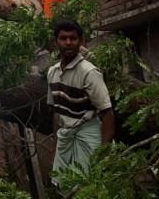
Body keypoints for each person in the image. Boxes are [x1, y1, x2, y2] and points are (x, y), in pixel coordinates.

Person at [47, 20, 114, 192]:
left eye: (73, 38)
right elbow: (56, 111)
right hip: (65, 135)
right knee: (63, 185)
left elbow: (107, 112)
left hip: (88, 134)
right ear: (56, 42)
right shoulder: (52, 72)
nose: (68, 42)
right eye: (63, 38)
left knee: (87, 188)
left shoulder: (89, 72)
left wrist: (103, 153)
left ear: (81, 41)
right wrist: (56, 143)